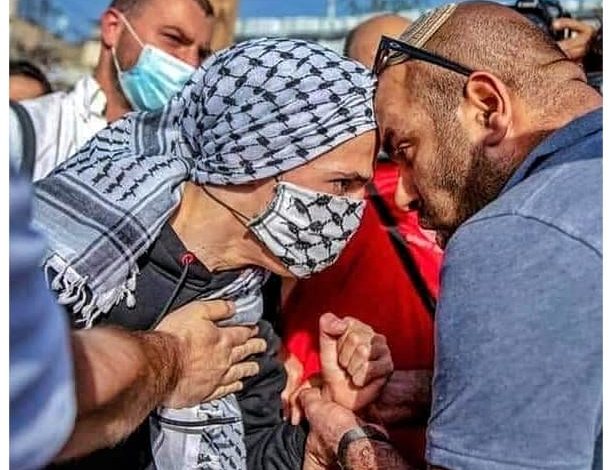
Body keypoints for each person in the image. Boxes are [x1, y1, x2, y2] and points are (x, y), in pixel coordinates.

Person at [32, 38, 393, 470]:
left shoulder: (245, 295)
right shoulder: (69, 260)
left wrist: (319, 434)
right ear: (252, 156)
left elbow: (251, 446)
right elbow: (22, 398)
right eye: (342, 184)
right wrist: (166, 362)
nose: (356, 208)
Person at [301, 2, 602, 469]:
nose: (400, 193)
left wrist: (349, 443)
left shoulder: (513, 235)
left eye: (405, 149)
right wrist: (432, 390)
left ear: (486, 108)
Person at [10, 165, 266, 469]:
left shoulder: (243, 311)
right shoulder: (72, 268)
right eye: (337, 184)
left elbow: (258, 438)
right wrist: (173, 359)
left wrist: (309, 452)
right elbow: (35, 396)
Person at [279, 12, 441, 469]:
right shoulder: (317, 188)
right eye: (380, 73)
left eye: (414, 68)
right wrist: (287, 374)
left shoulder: (464, 186)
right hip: (333, 442)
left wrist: (429, 388)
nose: (398, 87)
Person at [9, 0, 215, 181]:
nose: (192, 64)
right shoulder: (30, 131)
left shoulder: (186, 165)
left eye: (202, 54)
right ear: (112, 28)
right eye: (174, 39)